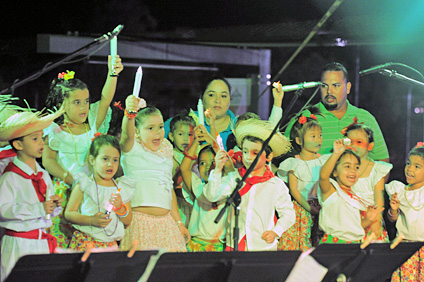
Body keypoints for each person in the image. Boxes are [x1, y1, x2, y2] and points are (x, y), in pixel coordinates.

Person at [42, 55, 123, 248]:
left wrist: (113, 73)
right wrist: (71, 180)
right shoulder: (53, 130)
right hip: (65, 189)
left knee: (87, 239)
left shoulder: (93, 121)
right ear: (61, 103)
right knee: (60, 241)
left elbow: (106, 98)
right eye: (76, 102)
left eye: (86, 101)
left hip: (92, 192)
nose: (84, 107)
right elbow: (48, 160)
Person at [203, 119, 295, 251]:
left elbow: (288, 214)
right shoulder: (235, 178)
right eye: (245, 151)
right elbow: (212, 196)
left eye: (255, 153)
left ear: (269, 156)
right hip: (236, 243)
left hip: (262, 246)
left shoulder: (275, 184)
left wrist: (276, 231)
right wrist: (217, 169)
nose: (248, 157)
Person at [119, 95, 190, 252]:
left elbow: (168, 187)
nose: (157, 133)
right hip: (140, 224)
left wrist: (179, 223)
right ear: (137, 131)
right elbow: (126, 134)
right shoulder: (132, 148)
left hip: (166, 225)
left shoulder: (165, 149)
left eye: (160, 127)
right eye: (150, 128)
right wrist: (129, 115)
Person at [0, 108, 64, 282]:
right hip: (19, 244)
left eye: (42, 138)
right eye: (35, 139)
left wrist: (54, 207)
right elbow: (3, 210)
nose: (41, 143)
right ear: (18, 145)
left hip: (41, 243)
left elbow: (46, 211)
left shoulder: (42, 174)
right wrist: (39, 208)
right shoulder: (10, 177)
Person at [284, 62, 389, 162]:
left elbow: (382, 161)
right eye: (324, 85)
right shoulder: (305, 117)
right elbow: (285, 158)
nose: (329, 91)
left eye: (336, 85)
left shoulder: (365, 118)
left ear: (348, 88)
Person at [64, 135, 134, 251]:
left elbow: (127, 220)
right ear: (92, 160)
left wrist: (120, 208)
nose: (110, 164)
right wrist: (91, 220)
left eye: (115, 160)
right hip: (86, 242)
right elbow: (69, 213)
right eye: (105, 159)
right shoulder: (85, 184)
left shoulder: (121, 188)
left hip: (109, 245)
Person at [277, 114, 329, 250]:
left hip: (321, 206)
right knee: (300, 242)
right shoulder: (294, 164)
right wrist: (309, 208)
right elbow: (294, 190)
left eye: (320, 135)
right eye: (313, 136)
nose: (318, 139)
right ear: (299, 140)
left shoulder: (324, 161)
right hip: (302, 207)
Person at [319, 139, 383, 244]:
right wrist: (336, 154)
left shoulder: (355, 196)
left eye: (357, 167)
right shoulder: (331, 191)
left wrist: (368, 220)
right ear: (334, 172)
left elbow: (353, 227)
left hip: (354, 244)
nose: (353, 170)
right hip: (334, 243)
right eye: (347, 166)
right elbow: (323, 176)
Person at [343, 122, 392, 242]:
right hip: (349, 218)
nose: (353, 145)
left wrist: (376, 221)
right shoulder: (341, 168)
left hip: (370, 216)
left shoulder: (376, 169)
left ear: (370, 146)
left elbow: (379, 198)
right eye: (350, 141)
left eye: (359, 142)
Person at [180, 125, 227, 251]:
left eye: (212, 162)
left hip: (219, 247)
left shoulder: (227, 186)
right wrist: (196, 142)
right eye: (202, 163)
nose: (207, 167)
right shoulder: (198, 187)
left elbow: (229, 167)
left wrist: (212, 140)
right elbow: (184, 169)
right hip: (196, 245)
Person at [164, 77, 237, 151]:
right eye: (211, 95)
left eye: (223, 96)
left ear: (230, 99)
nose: (218, 100)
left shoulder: (239, 126)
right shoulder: (185, 121)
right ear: (201, 97)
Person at [386, 143, 424, 281]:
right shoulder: (400, 191)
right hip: (406, 248)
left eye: (417, 166)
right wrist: (394, 210)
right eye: (408, 164)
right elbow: (392, 219)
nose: (409, 169)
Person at [168, 110, 197, 227]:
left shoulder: (197, 155)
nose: (185, 139)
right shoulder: (171, 157)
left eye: (189, 134)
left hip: (195, 204)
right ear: (171, 136)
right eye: (180, 134)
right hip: (179, 205)